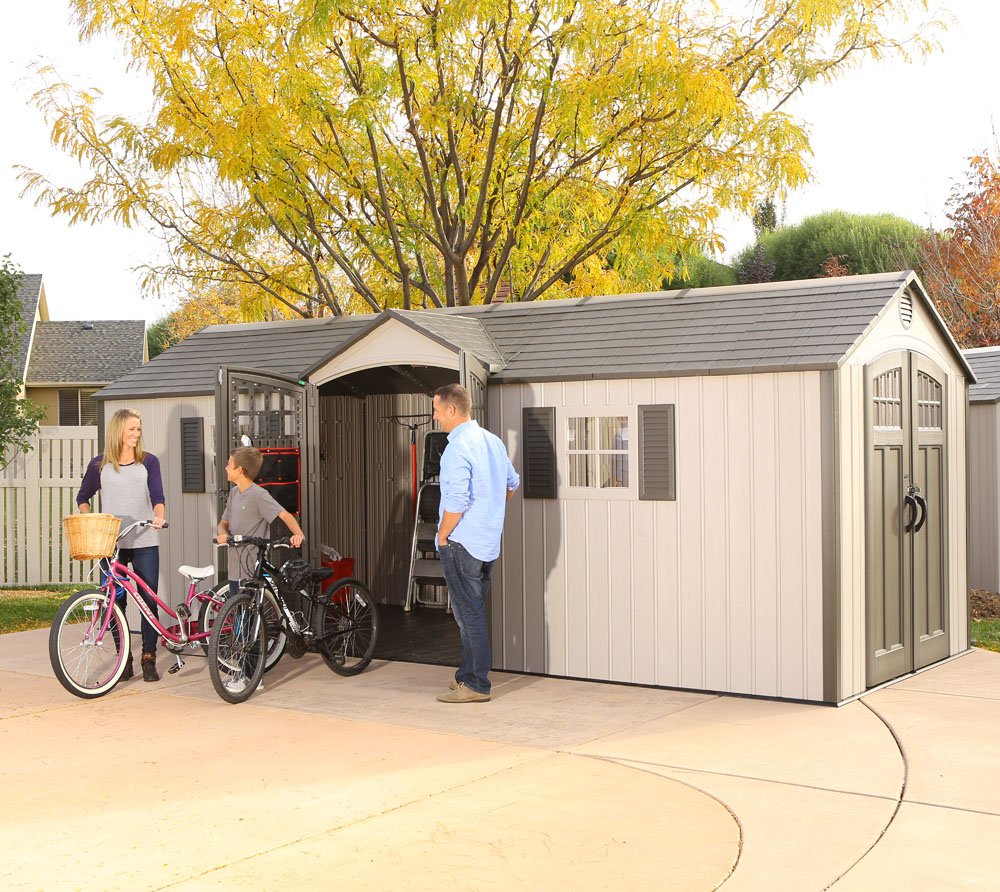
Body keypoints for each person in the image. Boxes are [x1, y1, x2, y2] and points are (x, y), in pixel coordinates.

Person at [433, 383, 519, 703]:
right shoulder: (492, 441)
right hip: (487, 542)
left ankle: (477, 684)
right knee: (471, 612)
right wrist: (490, 512)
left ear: (452, 410)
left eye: (437, 410)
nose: (435, 416)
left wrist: (443, 535)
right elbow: (512, 483)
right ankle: (466, 676)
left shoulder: (457, 447)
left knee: (469, 614)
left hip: (461, 543)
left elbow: (456, 500)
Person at [77, 408, 166, 682]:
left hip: (144, 539)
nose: (136, 434)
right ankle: (124, 659)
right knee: (114, 602)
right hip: (111, 543)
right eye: (132, 429)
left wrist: (159, 516)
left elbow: (157, 495)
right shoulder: (99, 465)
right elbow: (83, 496)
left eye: (138, 429)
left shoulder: (149, 462)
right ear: (118, 431)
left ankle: (148, 657)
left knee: (148, 599)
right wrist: (89, 518)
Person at [216, 446, 305, 594]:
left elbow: (285, 515)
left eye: (229, 464)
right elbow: (223, 523)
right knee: (237, 615)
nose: (225, 468)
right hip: (234, 569)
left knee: (250, 615)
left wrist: (299, 535)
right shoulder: (233, 494)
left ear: (240, 470)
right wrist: (222, 534)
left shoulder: (259, 495)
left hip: (251, 568)